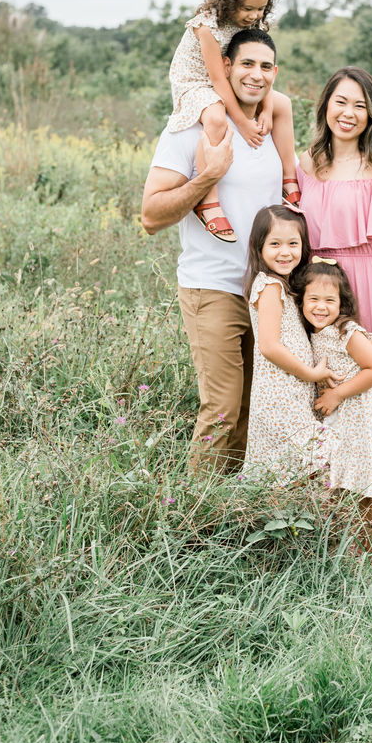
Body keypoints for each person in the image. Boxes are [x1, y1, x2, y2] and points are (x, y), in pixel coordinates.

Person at [141, 28, 283, 471]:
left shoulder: (273, 124)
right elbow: (150, 215)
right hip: (213, 287)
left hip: (267, 293)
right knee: (221, 410)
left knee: (254, 411)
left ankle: (232, 517)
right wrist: (207, 177)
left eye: (264, 66)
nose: (255, 76)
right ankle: (192, 525)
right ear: (224, 67)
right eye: (245, 64)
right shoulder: (192, 126)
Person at [296, 66, 372, 539]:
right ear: (325, 104)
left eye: (359, 105)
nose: (347, 113)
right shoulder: (305, 166)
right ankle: (331, 536)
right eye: (340, 101)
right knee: (323, 409)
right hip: (320, 298)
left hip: (370, 292)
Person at [167, 0, 300, 243]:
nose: (253, 16)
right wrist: (241, 123)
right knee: (215, 116)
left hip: (231, 79)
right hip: (197, 81)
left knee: (284, 104)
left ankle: (289, 179)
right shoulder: (207, 26)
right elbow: (216, 79)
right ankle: (208, 200)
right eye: (247, 8)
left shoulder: (254, 23)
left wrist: (266, 108)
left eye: (261, 9)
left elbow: (262, 67)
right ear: (229, 0)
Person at [298, 259, 372, 565]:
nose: (321, 307)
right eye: (313, 299)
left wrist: (338, 393)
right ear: (301, 300)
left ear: (343, 303)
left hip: (371, 417)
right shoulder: (313, 334)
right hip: (351, 422)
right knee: (362, 490)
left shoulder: (346, 332)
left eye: (330, 300)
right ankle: (364, 562)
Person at [242, 205, 339, 480]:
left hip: (291, 394)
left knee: (292, 469)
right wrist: (311, 373)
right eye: (275, 244)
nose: (285, 252)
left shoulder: (284, 285)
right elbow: (269, 346)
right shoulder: (269, 286)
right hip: (278, 399)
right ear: (258, 246)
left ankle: (290, 520)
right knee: (314, 455)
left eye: (293, 244)